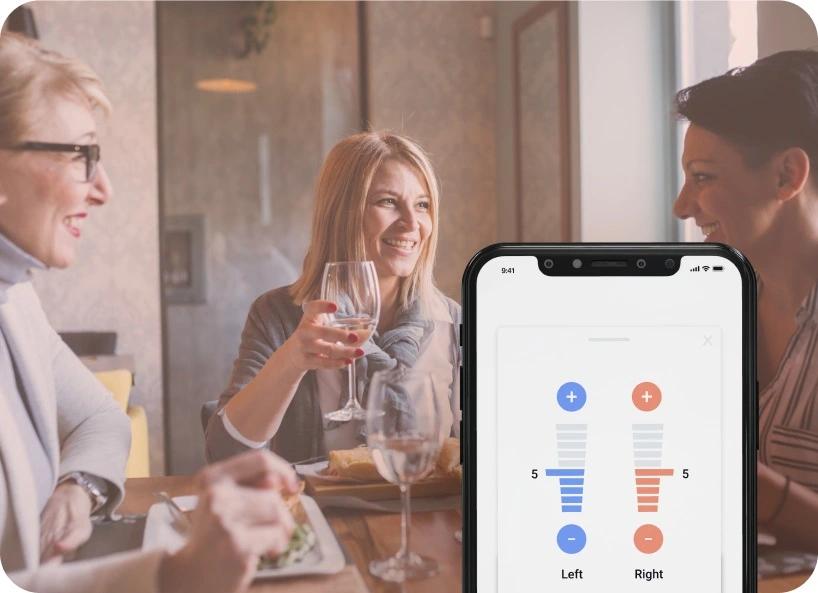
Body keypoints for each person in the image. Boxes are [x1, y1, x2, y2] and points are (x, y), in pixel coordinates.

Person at [0, 32, 297, 593]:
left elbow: (101, 418)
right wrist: (178, 576)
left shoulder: (17, 302)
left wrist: (77, 488)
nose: (103, 188)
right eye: (81, 155)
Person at [206, 131, 461, 463]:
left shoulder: (454, 321)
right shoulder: (280, 315)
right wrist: (293, 359)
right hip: (323, 513)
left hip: (428, 514)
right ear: (343, 212)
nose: (412, 224)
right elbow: (226, 455)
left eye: (423, 205)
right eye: (388, 202)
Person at [673, 49, 818, 552]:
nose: (681, 206)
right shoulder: (704, 310)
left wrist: (757, 490)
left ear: (785, 176)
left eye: (703, 177)